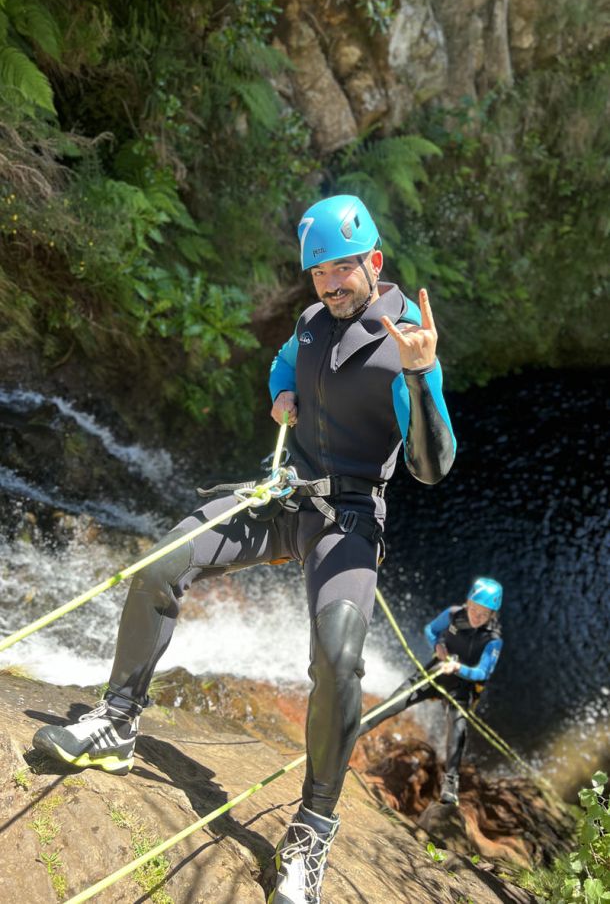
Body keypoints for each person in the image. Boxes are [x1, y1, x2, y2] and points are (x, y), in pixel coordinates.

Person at [32, 194, 456, 904]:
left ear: (374, 263)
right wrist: (284, 394)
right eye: (319, 272)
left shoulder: (405, 342)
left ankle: (313, 826)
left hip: (348, 515)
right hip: (287, 492)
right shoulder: (313, 323)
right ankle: (117, 721)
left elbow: (431, 467)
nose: (330, 283)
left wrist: (419, 375)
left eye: (343, 269)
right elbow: (283, 367)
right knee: (163, 561)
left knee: (341, 656)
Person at [359, 577, 503, 806]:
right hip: (437, 671)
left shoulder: (492, 640)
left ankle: (451, 781)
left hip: (462, 686)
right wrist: (438, 645)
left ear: (492, 615)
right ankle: (355, 729)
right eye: (474, 609)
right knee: (397, 700)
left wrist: (459, 668)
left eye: (484, 614)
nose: (476, 616)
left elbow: (483, 673)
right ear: (467, 603)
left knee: (458, 727)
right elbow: (430, 630)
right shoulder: (453, 614)